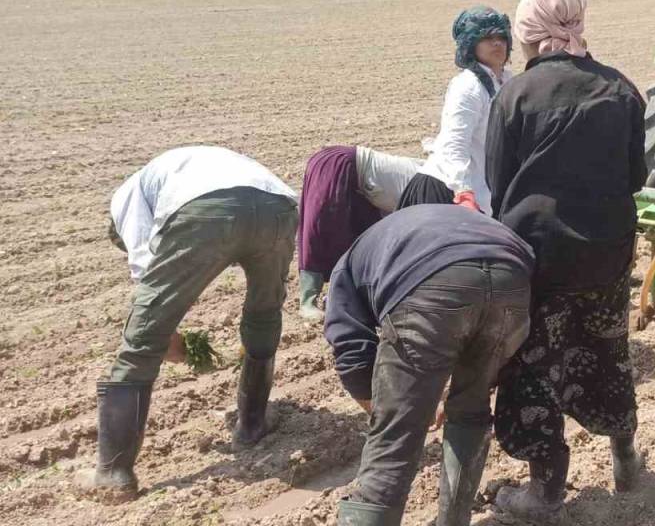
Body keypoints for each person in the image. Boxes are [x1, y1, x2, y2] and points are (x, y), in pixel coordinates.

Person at [486, 0, 648, 523]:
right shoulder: (622, 90)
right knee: (607, 350)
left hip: (537, 260)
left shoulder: (514, 95)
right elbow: (634, 177)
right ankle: (625, 458)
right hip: (606, 254)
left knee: (533, 366)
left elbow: (497, 182)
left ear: (528, 31)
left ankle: (546, 488)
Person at [78, 146, 298, 499]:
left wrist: (167, 335)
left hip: (210, 208)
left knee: (142, 342)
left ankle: (112, 472)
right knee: (264, 313)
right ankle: (252, 427)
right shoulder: (181, 168)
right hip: (278, 206)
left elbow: (143, 268)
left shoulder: (126, 199)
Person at [323, 205, 535, 526]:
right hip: (513, 280)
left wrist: (387, 408)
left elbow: (351, 350)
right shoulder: (414, 228)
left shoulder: (348, 264)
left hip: (431, 281)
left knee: (395, 434)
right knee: (470, 408)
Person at [399, 6, 514, 213]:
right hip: (446, 193)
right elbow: (455, 143)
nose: (497, 43)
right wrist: (464, 193)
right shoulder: (468, 85)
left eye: (501, 36)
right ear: (470, 44)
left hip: (482, 195)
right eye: (487, 37)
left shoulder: (508, 82)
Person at [296, 145, 421, 322]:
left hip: (368, 191)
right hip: (340, 165)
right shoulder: (437, 190)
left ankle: (341, 298)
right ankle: (307, 301)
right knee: (323, 228)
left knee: (359, 243)